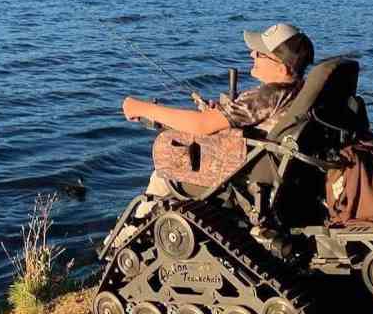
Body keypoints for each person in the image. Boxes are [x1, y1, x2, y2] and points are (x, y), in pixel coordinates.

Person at [120, 22, 315, 227]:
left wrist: (141, 108)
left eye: (260, 53)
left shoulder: (269, 95)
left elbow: (201, 124)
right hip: (275, 174)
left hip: (243, 182)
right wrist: (222, 116)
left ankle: (132, 231)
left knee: (167, 168)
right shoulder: (302, 91)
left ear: (281, 67)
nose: (252, 55)